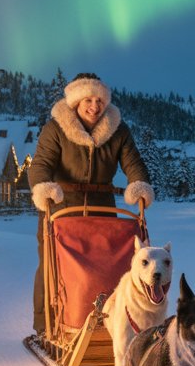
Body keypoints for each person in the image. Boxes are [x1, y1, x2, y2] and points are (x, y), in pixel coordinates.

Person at [28, 72, 154, 335]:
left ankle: (110, 321)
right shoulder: (56, 128)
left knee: (106, 268)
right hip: (62, 211)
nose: (95, 106)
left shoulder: (118, 130)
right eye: (88, 99)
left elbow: (133, 163)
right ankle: (45, 326)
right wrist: (44, 188)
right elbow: (41, 165)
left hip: (102, 212)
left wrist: (139, 185)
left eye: (99, 100)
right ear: (76, 101)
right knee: (53, 266)